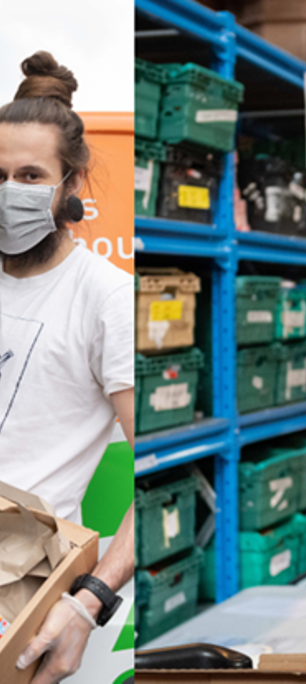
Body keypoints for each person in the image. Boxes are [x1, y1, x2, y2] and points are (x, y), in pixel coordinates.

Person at [0, 52, 134, 684]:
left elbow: (158, 475)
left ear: (72, 184)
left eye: (30, 176)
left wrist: (89, 603)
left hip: (17, 584)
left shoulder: (105, 297)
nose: (9, 194)